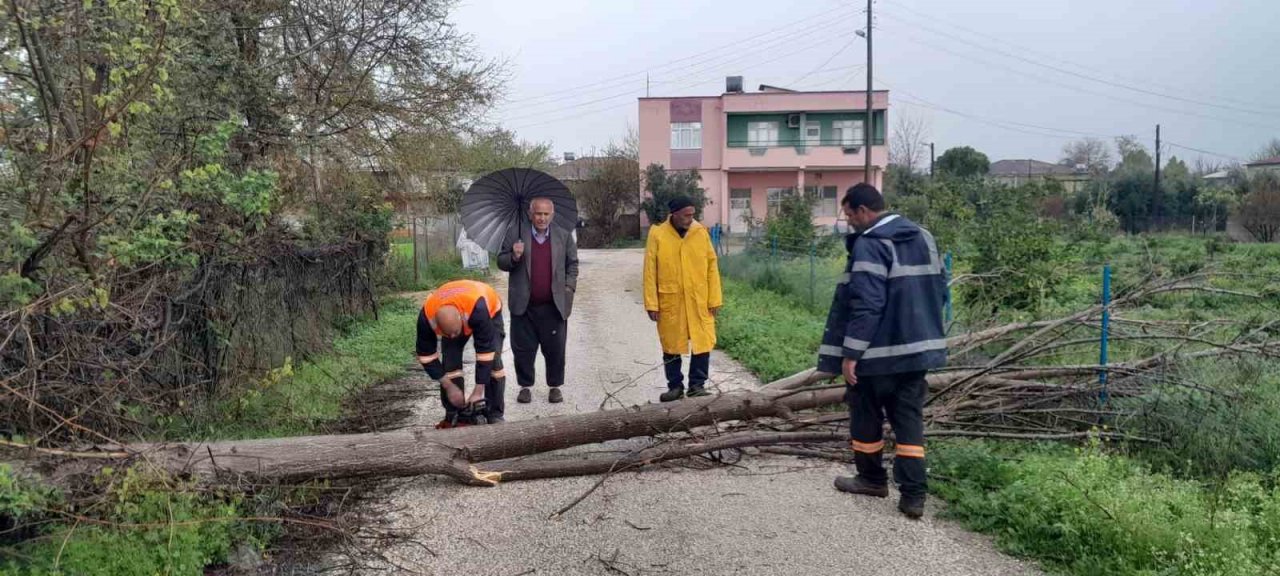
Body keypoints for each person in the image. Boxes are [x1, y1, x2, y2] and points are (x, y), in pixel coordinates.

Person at [822, 183, 947, 519]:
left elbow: (867, 303)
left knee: (865, 415)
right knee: (909, 421)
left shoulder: (870, 244)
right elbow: (940, 289)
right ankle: (913, 496)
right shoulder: (924, 236)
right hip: (918, 351)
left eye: (849, 215)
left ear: (864, 211)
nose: (849, 222)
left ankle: (871, 479)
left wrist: (851, 353)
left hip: (877, 355)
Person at [497, 197, 579, 404]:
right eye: (537, 214)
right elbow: (501, 262)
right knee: (523, 349)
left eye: (545, 214)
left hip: (554, 306)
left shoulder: (563, 236)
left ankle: (554, 386)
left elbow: (573, 265)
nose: (541, 218)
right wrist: (514, 256)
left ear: (552, 215)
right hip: (524, 306)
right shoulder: (516, 234)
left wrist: (569, 288)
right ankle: (525, 387)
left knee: (555, 349)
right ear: (530, 214)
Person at [642, 196, 723, 402]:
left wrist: (714, 299)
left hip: (699, 299)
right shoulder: (658, 234)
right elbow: (650, 271)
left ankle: (697, 385)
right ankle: (675, 387)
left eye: (692, 214)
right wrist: (652, 303)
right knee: (671, 344)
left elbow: (712, 267)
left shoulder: (700, 233)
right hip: (670, 300)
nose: (690, 218)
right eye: (686, 215)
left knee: (703, 342)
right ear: (674, 214)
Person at [416, 280, 508, 427]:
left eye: (455, 332)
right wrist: (449, 387)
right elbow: (426, 356)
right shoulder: (426, 317)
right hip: (455, 312)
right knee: (450, 361)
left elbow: (486, 352)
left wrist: (478, 392)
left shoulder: (478, 308)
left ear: (461, 318)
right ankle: (453, 412)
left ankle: (495, 413)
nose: (453, 337)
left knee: (494, 362)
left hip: (490, 311)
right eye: (448, 334)